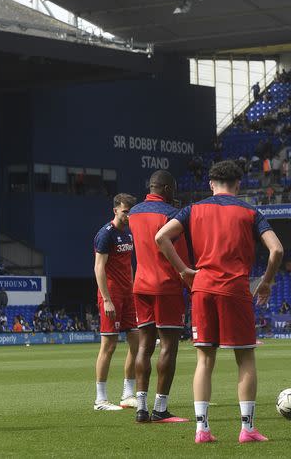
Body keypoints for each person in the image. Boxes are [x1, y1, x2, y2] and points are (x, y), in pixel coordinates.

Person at [155, 160, 284, 444]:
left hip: (202, 288)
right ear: (238, 185)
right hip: (235, 290)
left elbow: (161, 237)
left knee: (204, 360)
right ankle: (247, 429)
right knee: (246, 359)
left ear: (211, 184)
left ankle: (202, 430)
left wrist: (183, 270)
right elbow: (276, 249)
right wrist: (267, 282)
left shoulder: (193, 209)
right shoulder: (250, 211)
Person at [128, 170, 190, 423]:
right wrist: (188, 280)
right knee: (168, 347)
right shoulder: (172, 215)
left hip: (140, 285)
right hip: (166, 287)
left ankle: (141, 408)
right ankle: (160, 408)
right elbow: (181, 257)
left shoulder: (133, 213)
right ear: (165, 188)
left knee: (144, 346)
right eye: (173, 188)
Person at [92, 193, 140, 411]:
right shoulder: (106, 234)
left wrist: (132, 287)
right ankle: (100, 400)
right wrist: (106, 299)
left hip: (128, 294)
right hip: (111, 295)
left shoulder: (129, 233)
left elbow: (127, 264)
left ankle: (128, 394)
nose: (128, 216)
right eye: (125, 212)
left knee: (136, 342)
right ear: (115, 211)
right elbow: (99, 268)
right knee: (109, 346)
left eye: (131, 211)